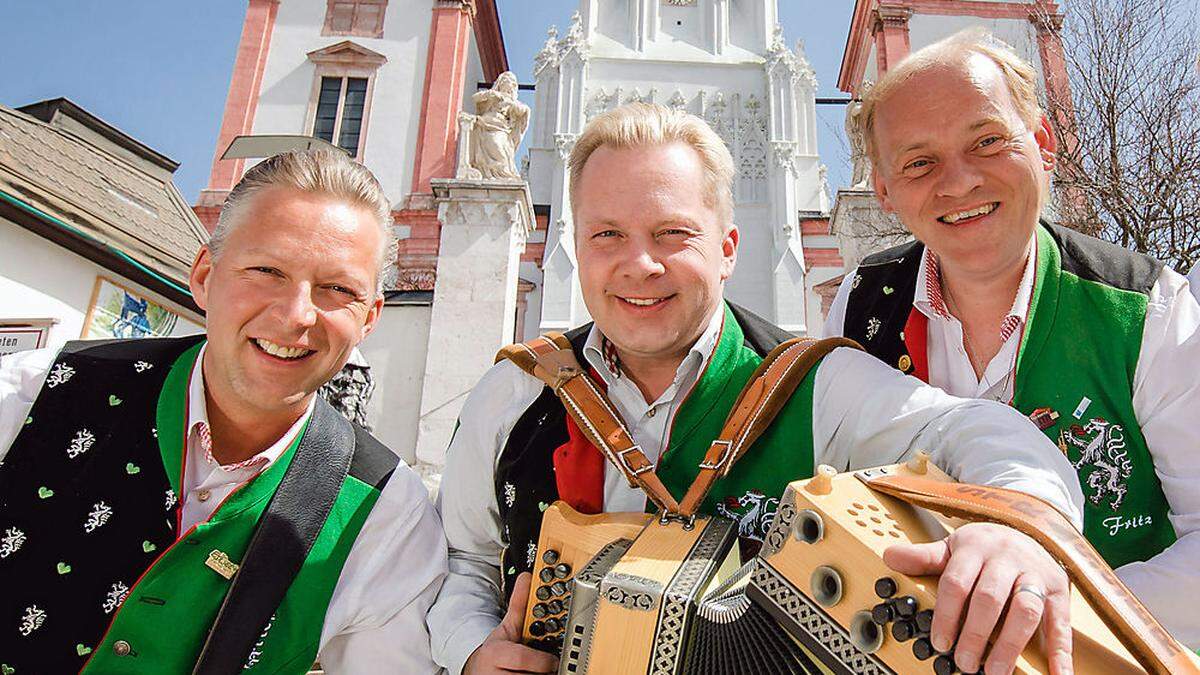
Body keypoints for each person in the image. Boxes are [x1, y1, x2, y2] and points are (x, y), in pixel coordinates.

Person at [428, 103, 1086, 675]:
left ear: (728, 248)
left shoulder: (811, 383)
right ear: (579, 246)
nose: (640, 263)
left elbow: (977, 431)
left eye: (672, 233)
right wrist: (470, 650)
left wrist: (1016, 528)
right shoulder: (513, 392)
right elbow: (466, 559)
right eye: (608, 235)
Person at [0, 149, 446, 672]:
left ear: (369, 317)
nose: (296, 315)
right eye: (266, 270)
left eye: (338, 289)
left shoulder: (386, 513)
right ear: (205, 277)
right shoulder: (32, 396)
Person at [824, 30, 1200, 651]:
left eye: (988, 141)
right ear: (884, 191)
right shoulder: (861, 304)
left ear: (1043, 145)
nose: (960, 181)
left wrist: (1045, 616)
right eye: (919, 162)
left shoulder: (1148, 311)